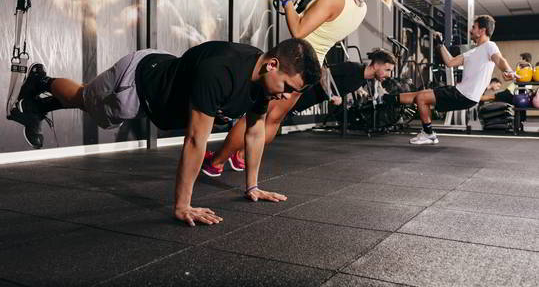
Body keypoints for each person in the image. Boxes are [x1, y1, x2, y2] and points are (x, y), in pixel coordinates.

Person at [7, 38, 321, 226]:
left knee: (89, 101)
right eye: (288, 87)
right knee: (86, 100)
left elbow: (254, 132)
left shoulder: (264, 87)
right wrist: (182, 206)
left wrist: (252, 187)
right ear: (272, 65)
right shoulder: (223, 72)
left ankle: (40, 105)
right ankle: (42, 81)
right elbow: (197, 139)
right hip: (139, 81)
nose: (285, 96)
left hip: (162, 84)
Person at [202, 0, 395, 176]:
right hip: (309, 68)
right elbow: (321, 27)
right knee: (274, 119)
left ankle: (216, 162)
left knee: (255, 116)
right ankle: (241, 157)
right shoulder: (361, 9)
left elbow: (299, 31)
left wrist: (286, 1)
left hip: (293, 61)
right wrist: (301, 6)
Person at [383, 15, 516, 145]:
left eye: (474, 27)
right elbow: (450, 62)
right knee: (421, 94)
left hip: (465, 95)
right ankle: (386, 99)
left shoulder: (489, 46)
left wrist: (508, 70)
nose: (471, 30)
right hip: (460, 91)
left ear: (482, 31)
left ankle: (428, 133)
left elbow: (499, 59)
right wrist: (440, 43)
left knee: (422, 98)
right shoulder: (472, 52)